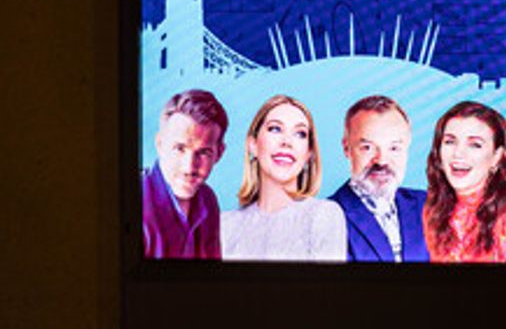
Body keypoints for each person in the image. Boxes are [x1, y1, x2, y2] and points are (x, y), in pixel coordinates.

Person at [221, 95, 347, 261]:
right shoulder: (225, 226)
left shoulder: (323, 216)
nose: (287, 142)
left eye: (300, 134)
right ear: (253, 145)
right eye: (275, 129)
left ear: (308, 154)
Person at [328, 95, 429, 262]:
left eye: (394, 148)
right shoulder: (328, 217)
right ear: (347, 148)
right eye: (367, 147)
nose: (381, 161)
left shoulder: (427, 206)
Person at [142, 89, 228, 259]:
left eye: (203, 152)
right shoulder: (133, 202)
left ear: (219, 154)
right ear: (160, 144)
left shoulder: (208, 199)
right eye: (179, 149)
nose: (189, 167)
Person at [423, 101, 506, 263]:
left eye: (475, 145)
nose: (458, 153)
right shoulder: (428, 211)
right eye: (450, 141)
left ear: (497, 157)